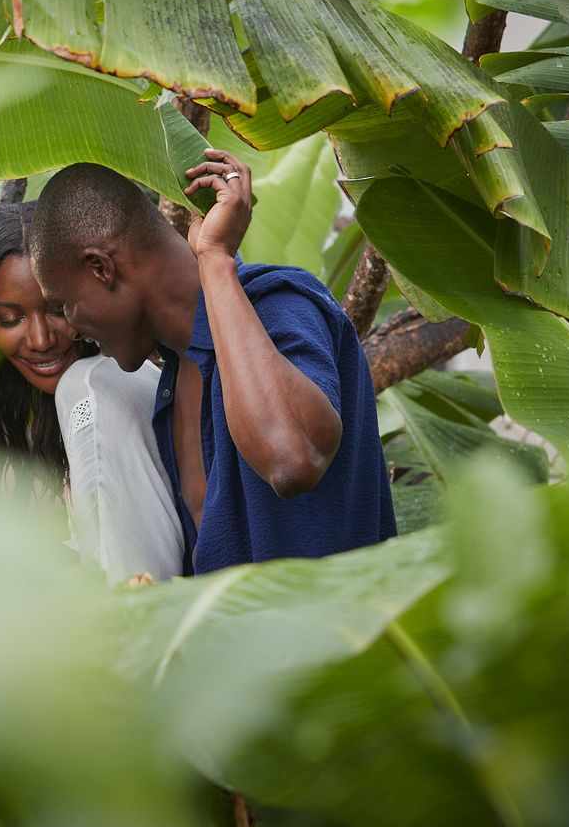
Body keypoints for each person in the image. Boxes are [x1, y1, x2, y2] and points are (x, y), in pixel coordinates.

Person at [27, 154, 395, 574]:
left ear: (100, 268)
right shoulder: (172, 384)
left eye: (64, 304)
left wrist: (216, 260)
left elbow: (292, 460)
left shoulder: (279, 303)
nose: (71, 327)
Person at [0, 203, 185, 582]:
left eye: (56, 310)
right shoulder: (7, 407)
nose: (41, 340)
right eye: (11, 319)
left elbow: (128, 578)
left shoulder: (95, 389)